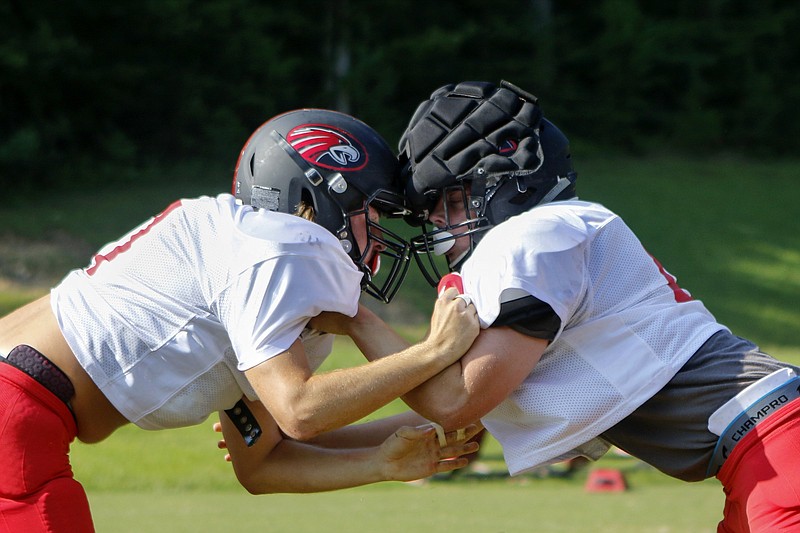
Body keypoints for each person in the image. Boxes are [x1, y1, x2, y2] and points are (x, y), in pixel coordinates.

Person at [327, 80, 800, 532]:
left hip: (772, 447)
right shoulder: (555, 237)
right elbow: (448, 416)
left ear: (502, 182)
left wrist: (355, 318)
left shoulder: (528, 238)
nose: (435, 224)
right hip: (763, 453)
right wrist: (305, 443)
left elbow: (454, 402)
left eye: (446, 201)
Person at [0, 109, 480, 532]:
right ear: (318, 196)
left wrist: (382, 462)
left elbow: (262, 462)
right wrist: (432, 350)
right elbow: (301, 410)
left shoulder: (256, 260)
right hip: (19, 411)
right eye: (371, 213)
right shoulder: (285, 247)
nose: (378, 239)